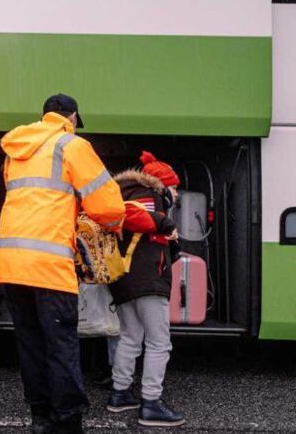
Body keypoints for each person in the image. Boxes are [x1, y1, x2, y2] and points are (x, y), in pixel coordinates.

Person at [0, 94, 125, 434]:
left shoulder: (16, 148)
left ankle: (40, 416)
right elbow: (109, 206)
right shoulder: (71, 144)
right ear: (72, 116)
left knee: (31, 342)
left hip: (11, 263)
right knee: (61, 344)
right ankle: (67, 421)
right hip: (50, 264)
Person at [106, 152, 185, 428]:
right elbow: (136, 217)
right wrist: (167, 225)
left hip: (125, 279)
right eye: (174, 187)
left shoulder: (124, 192)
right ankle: (150, 404)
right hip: (148, 278)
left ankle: (120, 393)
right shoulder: (147, 194)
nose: (176, 194)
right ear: (161, 183)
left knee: (130, 336)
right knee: (159, 341)